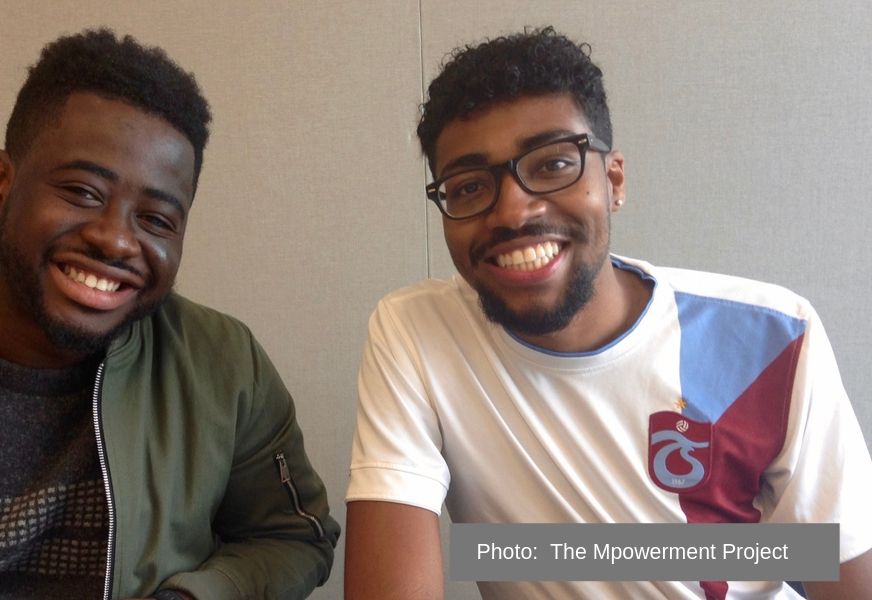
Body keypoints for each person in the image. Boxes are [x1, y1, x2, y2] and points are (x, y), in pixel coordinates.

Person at [0, 29, 338, 600]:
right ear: (1, 185)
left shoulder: (227, 367)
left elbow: (292, 537)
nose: (116, 241)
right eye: (82, 191)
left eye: (156, 220)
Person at [344, 26, 872, 599]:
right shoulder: (416, 333)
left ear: (613, 179)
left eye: (552, 164)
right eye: (469, 186)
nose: (513, 211)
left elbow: (839, 576)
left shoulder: (772, 336)